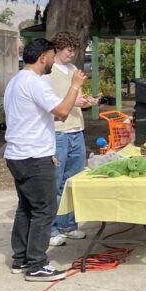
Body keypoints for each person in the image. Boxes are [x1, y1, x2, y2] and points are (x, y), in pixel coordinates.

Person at [4, 38, 85, 281]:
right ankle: (37, 265)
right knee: (45, 209)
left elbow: (53, 116)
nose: (52, 61)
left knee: (26, 207)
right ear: (43, 58)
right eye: (51, 56)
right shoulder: (36, 82)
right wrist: (74, 86)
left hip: (16, 155)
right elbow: (61, 112)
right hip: (35, 155)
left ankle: (20, 259)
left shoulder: (16, 80)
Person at [47, 32, 98, 247]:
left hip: (76, 129)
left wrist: (85, 101)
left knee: (72, 182)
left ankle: (69, 225)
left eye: (74, 50)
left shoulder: (72, 70)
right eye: (69, 49)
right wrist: (73, 101)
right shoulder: (48, 74)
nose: (72, 54)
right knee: (55, 183)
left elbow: (73, 98)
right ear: (57, 49)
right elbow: (52, 102)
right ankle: (52, 229)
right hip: (59, 131)